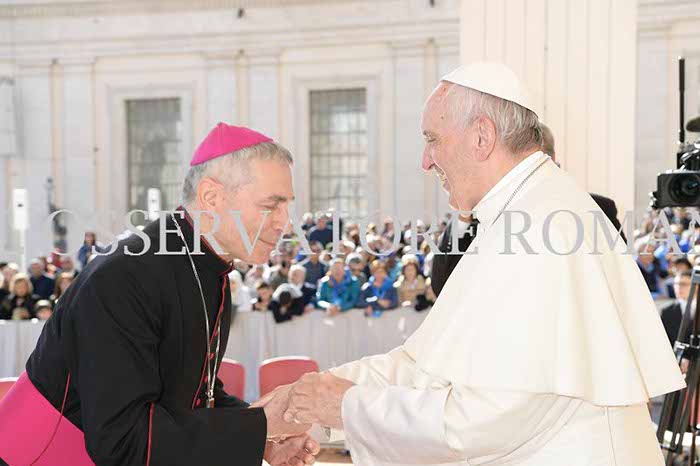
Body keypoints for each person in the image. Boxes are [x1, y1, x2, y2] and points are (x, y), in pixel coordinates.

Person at [256, 63, 685, 466]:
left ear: (481, 136)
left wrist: (345, 407)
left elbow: (489, 419)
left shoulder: (541, 228)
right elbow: (424, 366)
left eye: (433, 139)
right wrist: (308, 404)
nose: (426, 161)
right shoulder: (520, 214)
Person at [0, 123, 320, 465]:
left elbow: (193, 392)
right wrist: (259, 426)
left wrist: (263, 439)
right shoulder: (124, 275)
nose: (286, 224)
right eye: (271, 206)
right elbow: (123, 440)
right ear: (211, 197)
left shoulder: (210, 267)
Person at [660, 270, 697, 345]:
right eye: (675, 284)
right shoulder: (667, 311)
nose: (678, 287)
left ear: (696, 286)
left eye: (683, 284)